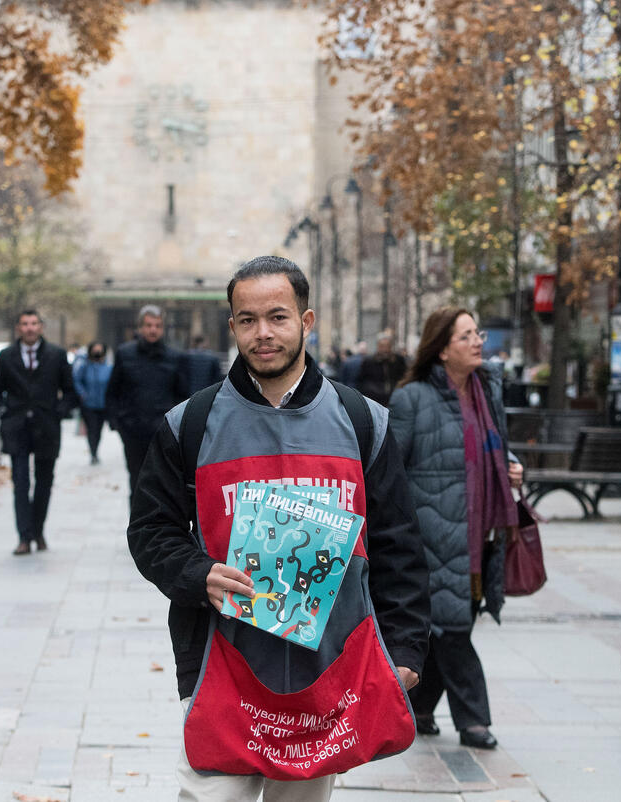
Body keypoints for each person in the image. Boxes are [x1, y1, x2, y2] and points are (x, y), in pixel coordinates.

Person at [128, 256, 429, 800]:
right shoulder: (189, 424)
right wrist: (197, 575)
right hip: (223, 660)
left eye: (277, 317)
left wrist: (405, 649)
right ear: (232, 327)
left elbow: (399, 544)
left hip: (329, 667)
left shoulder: (364, 422)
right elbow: (150, 529)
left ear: (306, 321)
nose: (262, 333)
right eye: (247, 319)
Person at [387, 307, 523, 751]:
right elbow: (389, 472)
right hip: (433, 537)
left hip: (478, 532)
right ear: (443, 349)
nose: (478, 341)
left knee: (448, 625)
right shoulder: (412, 400)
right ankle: (475, 721)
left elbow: (495, 452)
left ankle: (420, 707)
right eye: (467, 335)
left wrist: (512, 469)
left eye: (478, 332)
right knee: (453, 629)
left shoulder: (486, 393)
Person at [0, 309, 78, 556]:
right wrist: (4, 411)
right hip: (16, 428)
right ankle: (24, 537)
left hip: (46, 426)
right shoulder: (6, 356)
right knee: (20, 482)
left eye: (33, 323)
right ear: (18, 328)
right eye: (24, 324)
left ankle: (38, 531)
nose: (29, 328)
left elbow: (70, 391)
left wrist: (58, 411)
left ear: (41, 327)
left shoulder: (57, 355)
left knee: (44, 482)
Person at [105, 305, 187, 500]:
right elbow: (113, 390)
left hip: (164, 432)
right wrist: (117, 422)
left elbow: (182, 395)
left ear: (163, 328)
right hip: (133, 430)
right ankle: (136, 529)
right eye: (148, 325)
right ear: (140, 327)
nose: (153, 330)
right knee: (137, 483)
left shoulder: (174, 357)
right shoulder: (125, 354)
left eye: (157, 325)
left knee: (164, 484)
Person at [73, 341, 112, 465]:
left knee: (98, 430)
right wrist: (82, 394)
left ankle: (95, 449)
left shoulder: (108, 367)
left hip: (102, 404)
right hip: (88, 404)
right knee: (91, 429)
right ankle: (93, 452)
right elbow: (77, 380)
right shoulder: (85, 366)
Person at [357, 332, 409, 406]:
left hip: (394, 400)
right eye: (382, 346)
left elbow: (403, 377)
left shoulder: (398, 360)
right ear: (378, 346)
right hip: (375, 401)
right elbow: (361, 381)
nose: (385, 349)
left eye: (387, 346)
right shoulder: (369, 361)